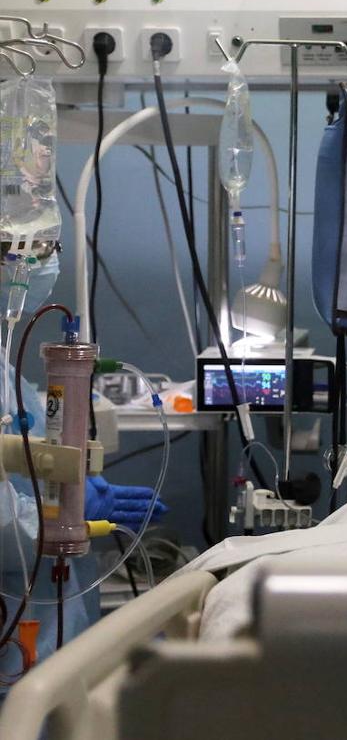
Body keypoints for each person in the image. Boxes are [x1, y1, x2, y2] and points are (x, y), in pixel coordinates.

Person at [0, 252, 166, 700]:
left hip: (44, 620)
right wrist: (53, 519)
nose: (41, 261)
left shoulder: (5, 365)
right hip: (17, 625)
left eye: (48, 247)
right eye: (23, 249)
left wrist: (70, 495)